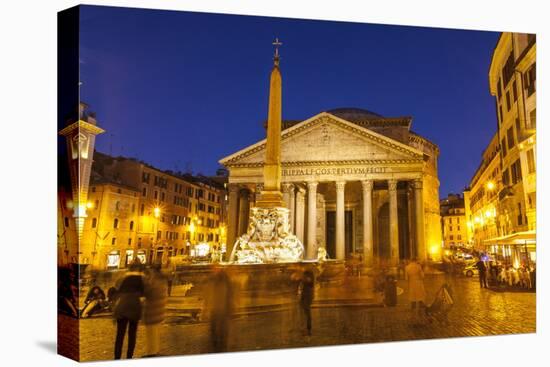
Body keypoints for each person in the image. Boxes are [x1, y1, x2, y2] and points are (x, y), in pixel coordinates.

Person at [113, 263, 145, 360]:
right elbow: (144, 296)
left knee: (119, 335)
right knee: (132, 335)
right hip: (134, 308)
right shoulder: (142, 279)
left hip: (122, 307)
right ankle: (129, 357)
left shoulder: (123, 278)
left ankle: (117, 358)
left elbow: (116, 289)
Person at [206, 269, 234, 353]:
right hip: (221, 310)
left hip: (216, 310)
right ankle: (221, 344)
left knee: (215, 328)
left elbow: (209, 296)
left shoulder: (215, 284)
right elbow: (230, 297)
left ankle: (217, 344)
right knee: (222, 328)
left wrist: (206, 308)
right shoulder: (227, 285)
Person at [142, 265, 168, 357]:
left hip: (153, 310)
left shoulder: (155, 282)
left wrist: (145, 283)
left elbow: (148, 292)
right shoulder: (162, 281)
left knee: (151, 333)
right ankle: (154, 351)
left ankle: (151, 353)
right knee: (155, 332)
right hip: (158, 310)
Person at [405, 258, 426, 324]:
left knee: (413, 302)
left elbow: (406, 278)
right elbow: (422, 276)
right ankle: (422, 318)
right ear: (416, 260)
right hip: (419, 285)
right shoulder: (418, 266)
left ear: (411, 260)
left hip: (412, 285)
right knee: (420, 300)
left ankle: (413, 318)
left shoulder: (407, 267)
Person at [300, 270, 315, 336]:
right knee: (304, 313)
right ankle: (305, 328)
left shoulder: (309, 281)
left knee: (307, 313)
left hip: (307, 297)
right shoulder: (306, 280)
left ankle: (308, 329)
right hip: (304, 297)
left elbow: (308, 281)